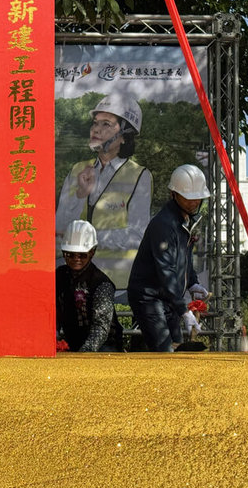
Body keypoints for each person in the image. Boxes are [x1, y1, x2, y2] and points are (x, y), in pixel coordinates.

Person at [55, 93, 153, 289]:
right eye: (95, 123)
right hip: (73, 281)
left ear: (125, 136)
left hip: (115, 283)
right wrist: (80, 196)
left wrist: (90, 237)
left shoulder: (139, 175)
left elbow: (137, 234)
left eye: (106, 124)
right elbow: (59, 226)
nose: (96, 129)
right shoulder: (77, 170)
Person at [127, 164, 211, 352]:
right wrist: (184, 310)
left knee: (178, 347)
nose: (194, 202)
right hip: (148, 297)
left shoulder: (186, 221)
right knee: (165, 351)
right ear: (174, 194)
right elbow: (166, 271)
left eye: (198, 197)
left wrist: (193, 283)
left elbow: (184, 259)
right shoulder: (164, 225)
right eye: (188, 197)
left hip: (167, 298)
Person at [56, 220, 123, 352]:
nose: (76, 259)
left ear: (92, 252)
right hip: (72, 343)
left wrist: (84, 354)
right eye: (70, 254)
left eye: (82, 255)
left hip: (104, 346)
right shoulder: (59, 276)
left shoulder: (101, 284)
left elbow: (101, 327)